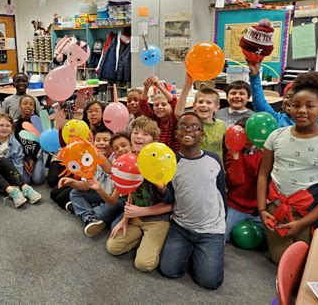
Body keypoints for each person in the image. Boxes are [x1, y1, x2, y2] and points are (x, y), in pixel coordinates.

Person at [257, 72, 318, 265]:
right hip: (276, 210)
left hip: (309, 213)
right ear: (288, 107)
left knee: (311, 265)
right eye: (296, 105)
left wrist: (303, 223)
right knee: (283, 264)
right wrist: (262, 209)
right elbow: (263, 174)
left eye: (310, 106)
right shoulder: (276, 136)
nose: (302, 110)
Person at [159, 112, 226, 290]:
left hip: (211, 230)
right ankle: (191, 252)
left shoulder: (213, 159)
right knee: (168, 270)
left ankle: (206, 252)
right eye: (183, 126)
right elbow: (170, 198)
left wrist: (222, 223)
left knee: (209, 282)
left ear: (202, 134)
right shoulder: (171, 162)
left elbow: (221, 193)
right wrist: (161, 188)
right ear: (176, 133)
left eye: (195, 127)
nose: (188, 130)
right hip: (181, 227)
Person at [107, 116, 172, 272]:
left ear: (154, 140)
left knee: (143, 265)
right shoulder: (131, 158)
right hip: (136, 218)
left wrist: (144, 209)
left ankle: (153, 241)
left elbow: (172, 204)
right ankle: (142, 239)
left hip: (157, 220)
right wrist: (124, 220)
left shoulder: (162, 161)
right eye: (136, 132)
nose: (138, 137)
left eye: (145, 134)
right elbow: (132, 190)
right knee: (112, 247)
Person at [63, 127, 122, 236]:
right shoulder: (90, 160)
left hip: (113, 198)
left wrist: (93, 151)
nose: (101, 143)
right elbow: (86, 186)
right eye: (98, 140)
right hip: (98, 194)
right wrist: (71, 182)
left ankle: (85, 212)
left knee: (101, 213)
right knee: (74, 192)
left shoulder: (117, 159)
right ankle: (88, 215)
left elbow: (109, 169)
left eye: (105, 140)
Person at [224, 117, 262, 241]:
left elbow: (262, 180)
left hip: (257, 208)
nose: (246, 138)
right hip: (235, 206)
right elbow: (236, 180)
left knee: (270, 236)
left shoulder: (262, 154)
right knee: (221, 236)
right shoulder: (233, 154)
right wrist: (235, 156)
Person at [176, 78, 225, 161]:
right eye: (200, 102)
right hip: (193, 165)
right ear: (194, 105)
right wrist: (187, 85)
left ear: (216, 107)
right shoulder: (190, 122)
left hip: (214, 167)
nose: (203, 105)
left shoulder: (221, 125)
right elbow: (178, 113)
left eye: (209, 102)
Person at [139, 75, 179, 152]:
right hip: (157, 155)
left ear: (171, 108)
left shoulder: (174, 120)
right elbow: (142, 104)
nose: (159, 107)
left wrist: (159, 86)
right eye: (156, 105)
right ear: (153, 108)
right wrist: (146, 87)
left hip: (172, 156)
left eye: (164, 104)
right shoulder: (154, 119)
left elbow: (174, 101)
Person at [247, 61, 293, 127]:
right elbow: (260, 104)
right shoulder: (278, 119)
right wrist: (254, 76)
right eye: (288, 96)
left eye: (296, 99)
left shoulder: (310, 125)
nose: (291, 100)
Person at [14, 95, 46, 185]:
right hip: (22, 157)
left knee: (37, 180)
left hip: (36, 155)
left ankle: (39, 166)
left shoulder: (37, 122)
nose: (28, 106)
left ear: (34, 107)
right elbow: (16, 144)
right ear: (20, 106)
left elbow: (40, 142)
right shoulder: (15, 124)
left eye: (31, 104)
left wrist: (33, 159)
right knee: (26, 181)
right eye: (25, 104)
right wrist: (23, 160)